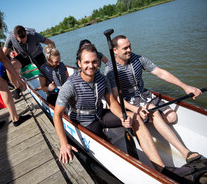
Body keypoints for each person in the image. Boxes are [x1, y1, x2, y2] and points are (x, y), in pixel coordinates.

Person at [53, 44, 193, 181]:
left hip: (101, 114)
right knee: (106, 145)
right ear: (79, 63)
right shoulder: (69, 86)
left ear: (98, 62)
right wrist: (64, 144)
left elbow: (113, 103)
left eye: (94, 61)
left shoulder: (102, 79)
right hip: (85, 122)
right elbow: (57, 115)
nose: (91, 65)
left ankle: (161, 168)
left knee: (135, 118)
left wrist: (121, 116)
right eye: (87, 62)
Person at [104, 35, 202, 164]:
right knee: (153, 111)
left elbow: (160, 72)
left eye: (129, 46)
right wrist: (136, 109)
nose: (129, 50)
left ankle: (146, 121)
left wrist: (185, 86)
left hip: (144, 95)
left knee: (172, 117)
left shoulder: (137, 59)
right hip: (129, 102)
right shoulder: (110, 70)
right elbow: (117, 97)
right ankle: (185, 152)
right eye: (125, 48)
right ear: (115, 50)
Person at [2, 25, 56, 99]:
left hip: (37, 54)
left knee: (47, 73)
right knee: (9, 67)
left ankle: (50, 91)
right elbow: (1, 54)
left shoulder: (34, 35)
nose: (24, 42)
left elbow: (51, 42)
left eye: (25, 40)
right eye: (21, 41)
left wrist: (52, 56)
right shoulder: (10, 38)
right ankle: (17, 88)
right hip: (24, 56)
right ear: (15, 36)